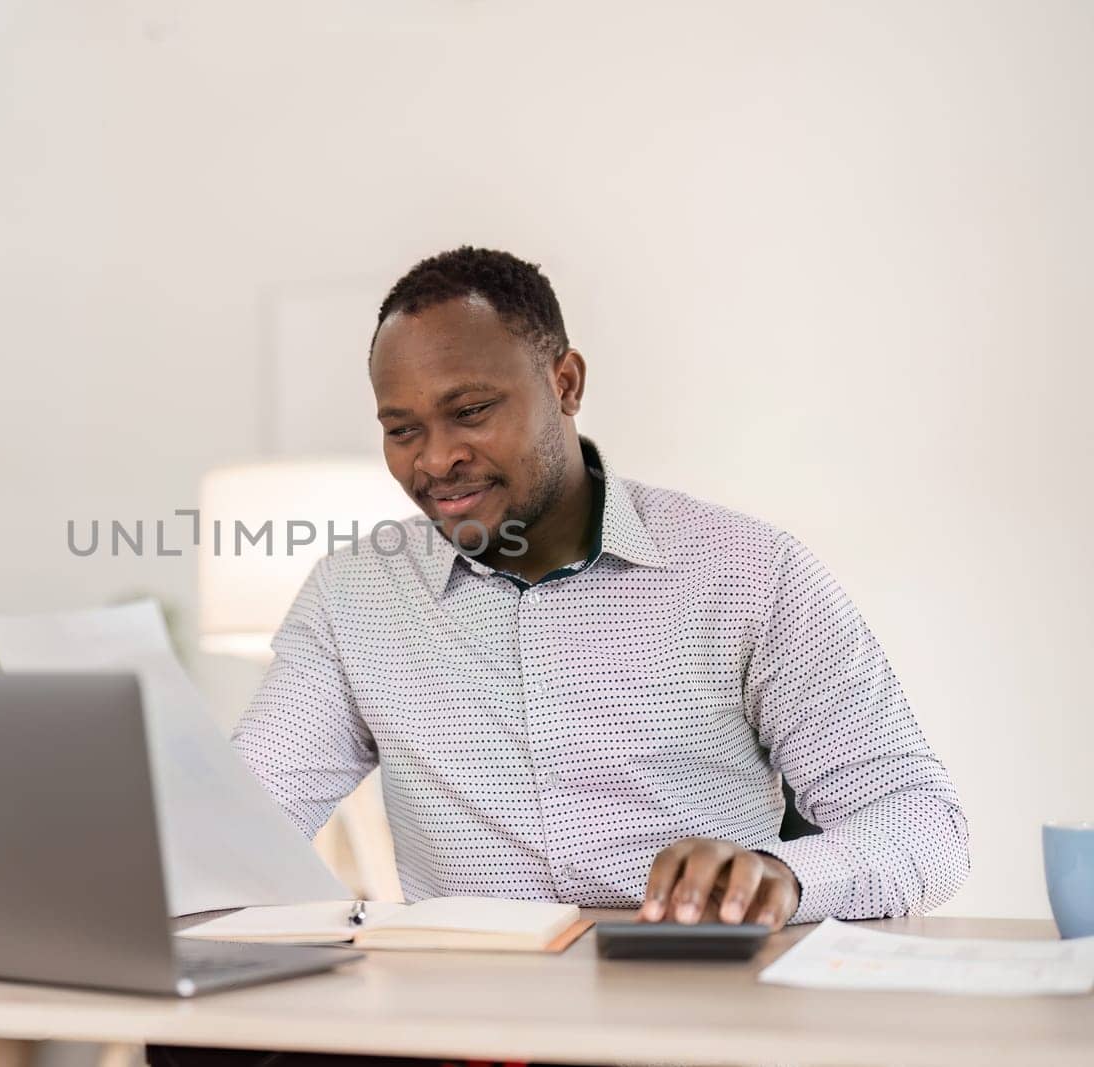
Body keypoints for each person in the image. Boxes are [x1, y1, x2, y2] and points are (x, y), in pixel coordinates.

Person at [152, 247, 968, 1067]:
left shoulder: (749, 572)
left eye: (469, 411)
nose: (434, 460)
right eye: (402, 430)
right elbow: (239, 828)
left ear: (566, 382)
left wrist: (780, 875)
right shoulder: (353, 593)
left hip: (689, 1031)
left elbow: (923, 824)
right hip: (457, 1035)